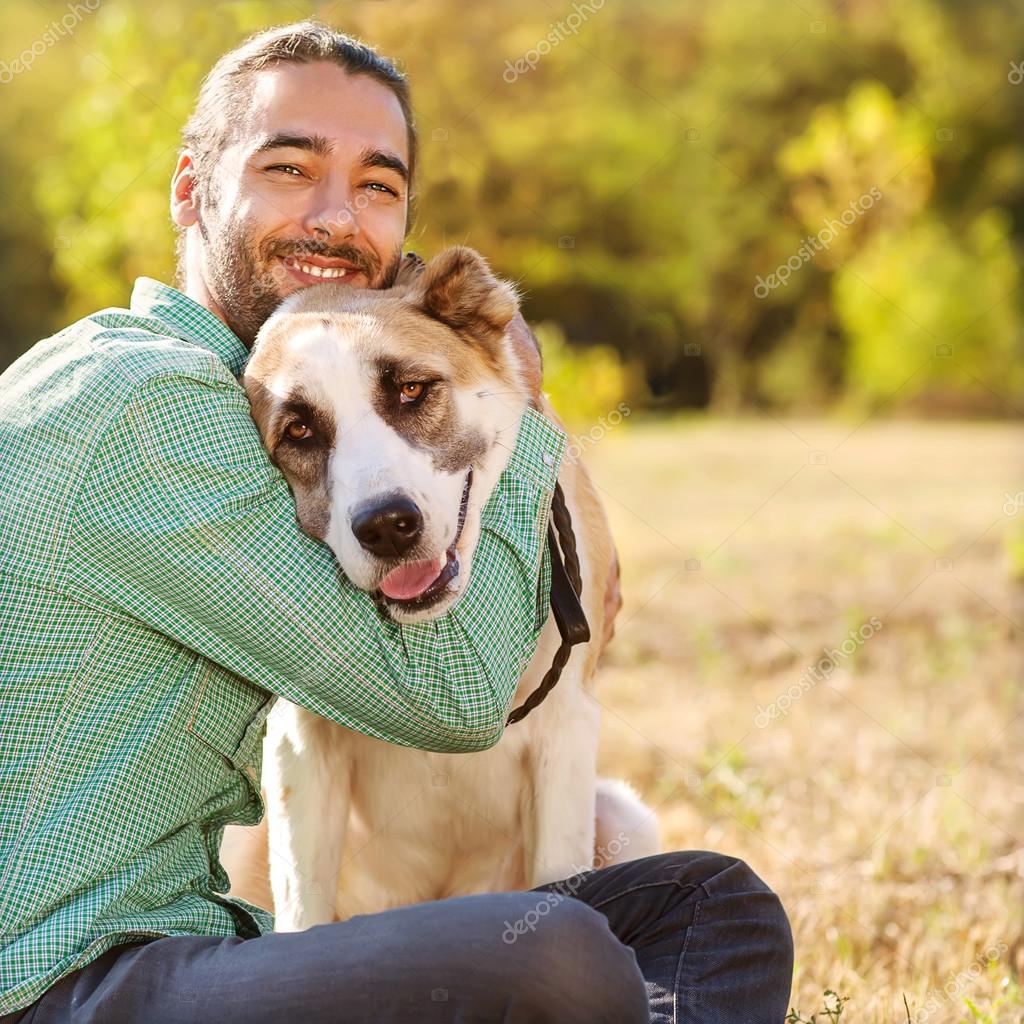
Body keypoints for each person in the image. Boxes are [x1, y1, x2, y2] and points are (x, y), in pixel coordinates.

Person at [0, 21, 793, 1023]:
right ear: (190, 191)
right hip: (61, 989)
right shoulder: (151, 403)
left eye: (378, 184)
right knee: (553, 951)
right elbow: (454, 695)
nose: (336, 217)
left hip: (182, 942)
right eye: (290, 168)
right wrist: (508, 391)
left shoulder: (241, 401)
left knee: (714, 904)